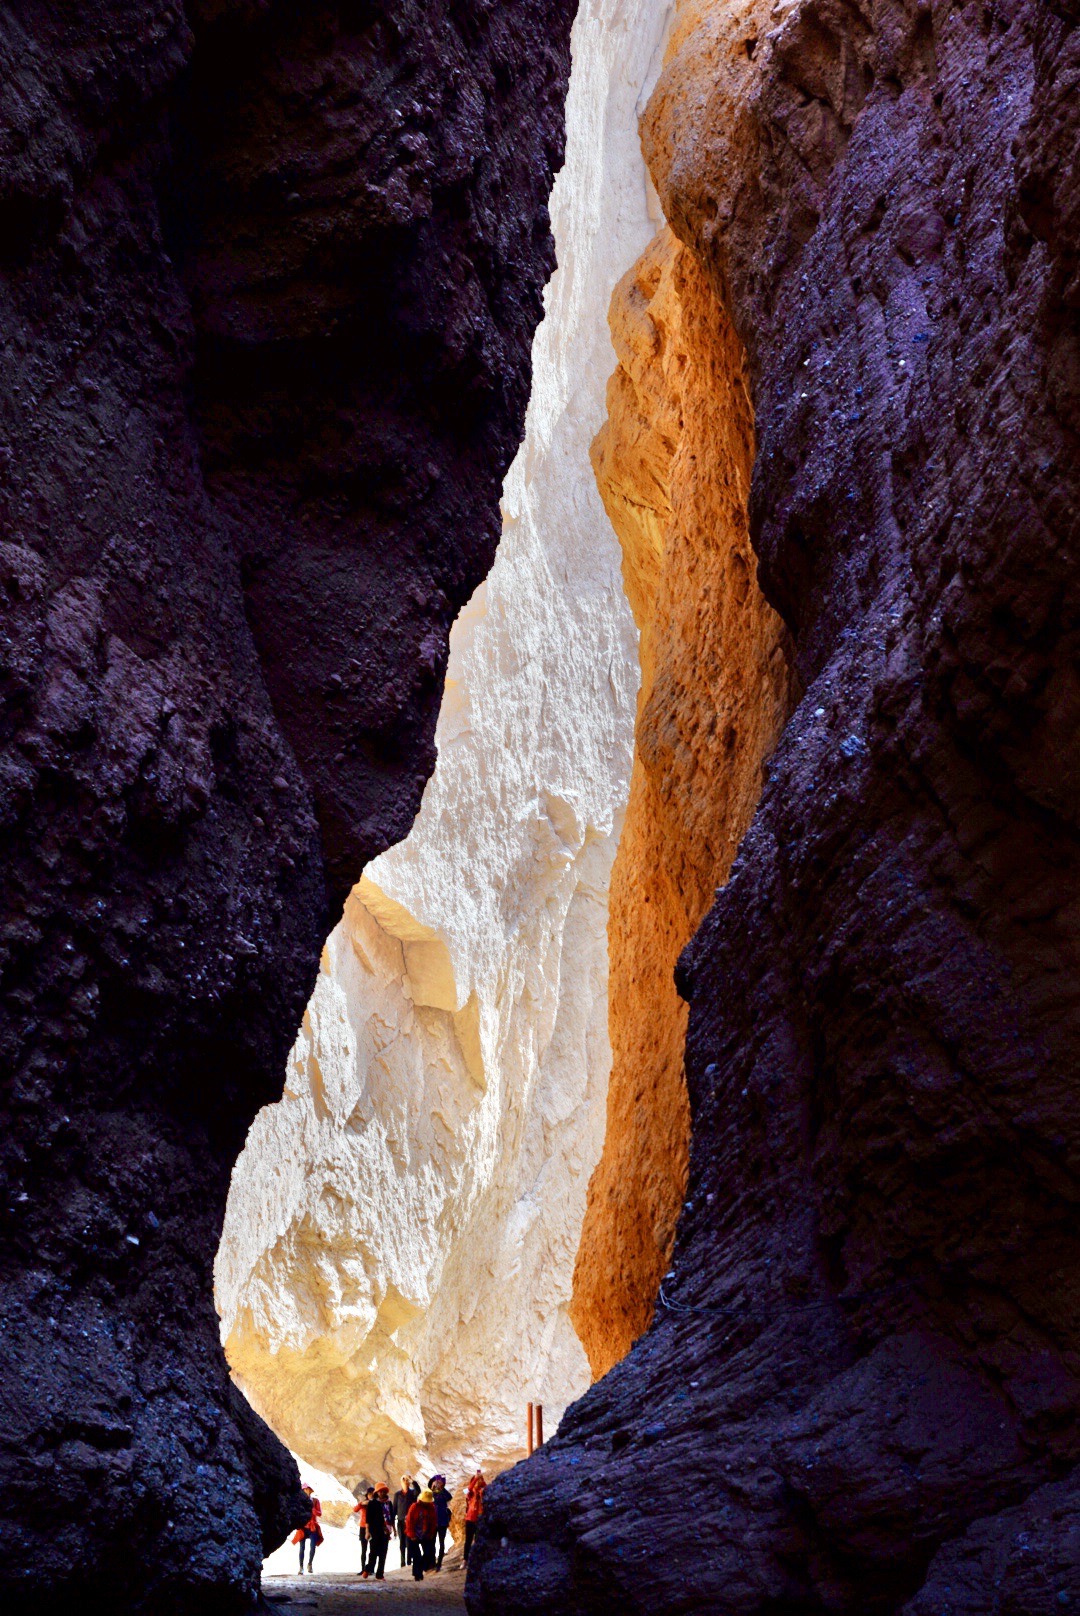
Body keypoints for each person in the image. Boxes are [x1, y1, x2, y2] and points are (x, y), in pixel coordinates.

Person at [405, 1487, 438, 1581]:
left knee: (427, 1553)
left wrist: (431, 1533)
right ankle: (417, 1575)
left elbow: (433, 1521)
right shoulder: (414, 1506)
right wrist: (412, 1535)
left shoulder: (431, 1507)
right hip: (413, 1534)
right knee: (416, 1555)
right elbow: (409, 1521)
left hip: (425, 1534)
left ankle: (421, 1569)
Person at [361, 1483, 393, 1581]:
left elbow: (391, 1517)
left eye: (384, 1491)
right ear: (377, 1492)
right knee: (373, 1552)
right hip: (374, 1531)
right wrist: (367, 1531)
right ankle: (368, 1568)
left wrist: (392, 1530)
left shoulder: (389, 1503)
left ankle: (380, 1574)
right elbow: (368, 1519)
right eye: (380, 1491)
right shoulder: (372, 1503)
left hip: (386, 1531)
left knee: (383, 1553)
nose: (382, 1493)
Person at [291, 1483, 323, 1574]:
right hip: (303, 1526)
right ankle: (301, 1567)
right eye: (304, 1490)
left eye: (307, 1489)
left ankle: (310, 1564)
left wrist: (312, 1509)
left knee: (313, 1547)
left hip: (312, 1526)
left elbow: (319, 1513)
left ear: (310, 1490)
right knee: (302, 1548)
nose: (305, 1491)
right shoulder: (300, 1502)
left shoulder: (315, 1501)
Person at [393, 1475, 419, 1568]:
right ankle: (403, 1562)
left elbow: (418, 1491)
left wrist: (412, 1481)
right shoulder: (397, 1495)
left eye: (406, 1479)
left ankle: (409, 1562)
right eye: (403, 1479)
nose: (404, 1481)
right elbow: (394, 1509)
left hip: (410, 1522)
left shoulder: (412, 1493)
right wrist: (392, 1526)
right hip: (400, 1522)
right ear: (400, 1482)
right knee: (402, 1543)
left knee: (409, 1542)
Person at [430, 1475, 453, 1569]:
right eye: (437, 1482)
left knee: (441, 1542)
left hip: (442, 1521)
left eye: (439, 1482)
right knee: (432, 1542)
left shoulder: (444, 1493)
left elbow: (449, 1497)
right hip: (433, 1521)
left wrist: (442, 1488)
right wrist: (433, 1488)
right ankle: (432, 1562)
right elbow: (428, 1498)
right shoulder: (433, 1493)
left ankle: (439, 1563)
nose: (437, 1483)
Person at [464, 1470, 486, 1564]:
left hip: (479, 1518)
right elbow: (469, 1489)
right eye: (476, 1480)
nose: (478, 1482)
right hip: (470, 1518)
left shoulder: (483, 1491)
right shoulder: (470, 1493)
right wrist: (476, 1478)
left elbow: (487, 1488)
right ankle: (465, 1560)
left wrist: (481, 1480)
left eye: (479, 1480)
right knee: (468, 1540)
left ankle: (476, 1560)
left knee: (478, 1539)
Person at [352, 1486, 375, 1574]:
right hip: (363, 1527)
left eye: (372, 1494)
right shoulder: (364, 1504)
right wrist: (361, 1504)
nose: (371, 1496)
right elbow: (355, 1509)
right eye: (370, 1494)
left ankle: (371, 1569)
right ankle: (363, 1569)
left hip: (373, 1528)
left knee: (372, 1550)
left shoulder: (376, 1503)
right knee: (364, 1549)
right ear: (367, 1495)